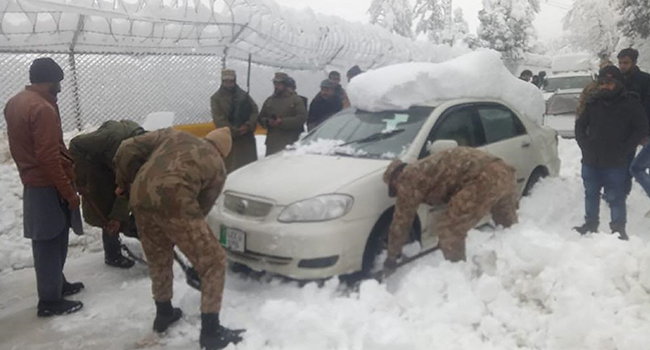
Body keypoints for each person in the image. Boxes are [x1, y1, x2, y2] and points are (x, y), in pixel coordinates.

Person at [113, 127, 243, 350]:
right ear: (223, 152)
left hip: (140, 196)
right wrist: (182, 232)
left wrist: (124, 182)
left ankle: (163, 313)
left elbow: (126, 147)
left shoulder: (173, 135)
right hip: (175, 200)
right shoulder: (218, 166)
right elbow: (201, 210)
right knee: (213, 262)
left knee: (158, 257)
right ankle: (211, 333)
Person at [4, 57, 84, 317]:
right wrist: (68, 193)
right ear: (52, 81)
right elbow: (48, 157)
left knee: (49, 238)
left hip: (33, 181)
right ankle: (50, 301)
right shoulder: (43, 109)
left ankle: (57, 284)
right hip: (47, 183)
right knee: (51, 240)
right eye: (59, 82)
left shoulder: (15, 102)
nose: (60, 87)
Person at [382, 147, 518, 272]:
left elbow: (401, 221)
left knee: (449, 230)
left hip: (484, 178)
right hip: (505, 172)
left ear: (395, 179)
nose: (397, 191)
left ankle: (458, 277)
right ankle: (518, 264)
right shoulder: (426, 168)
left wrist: (392, 257)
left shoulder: (407, 178)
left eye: (394, 188)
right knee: (508, 228)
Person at [574, 66, 648, 240]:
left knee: (616, 196)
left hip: (616, 161)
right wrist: (585, 145)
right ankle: (590, 224)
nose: (604, 86)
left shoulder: (630, 103)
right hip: (591, 159)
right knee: (591, 194)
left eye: (609, 83)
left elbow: (642, 127)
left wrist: (626, 148)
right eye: (602, 83)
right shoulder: (593, 102)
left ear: (618, 83)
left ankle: (618, 229)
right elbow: (580, 125)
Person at [69, 120, 146, 269]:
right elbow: (76, 144)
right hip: (95, 165)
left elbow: (127, 186)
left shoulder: (142, 149)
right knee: (106, 207)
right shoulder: (110, 138)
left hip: (114, 163)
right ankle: (113, 254)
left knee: (129, 200)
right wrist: (81, 180)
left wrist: (118, 215)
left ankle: (134, 232)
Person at [211, 69, 259, 173]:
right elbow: (218, 118)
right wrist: (232, 131)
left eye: (231, 81)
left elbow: (254, 111)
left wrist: (248, 125)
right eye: (226, 81)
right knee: (230, 169)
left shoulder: (244, 96)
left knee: (248, 169)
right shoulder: (216, 98)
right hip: (228, 140)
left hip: (246, 139)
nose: (228, 84)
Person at [258, 72, 308, 156]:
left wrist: (282, 122)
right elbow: (261, 117)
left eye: (279, 83)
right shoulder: (269, 101)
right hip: (272, 143)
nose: (276, 86)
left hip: (290, 142)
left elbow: (301, 118)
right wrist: (267, 121)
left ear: (285, 84)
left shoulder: (295, 100)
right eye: (275, 83)